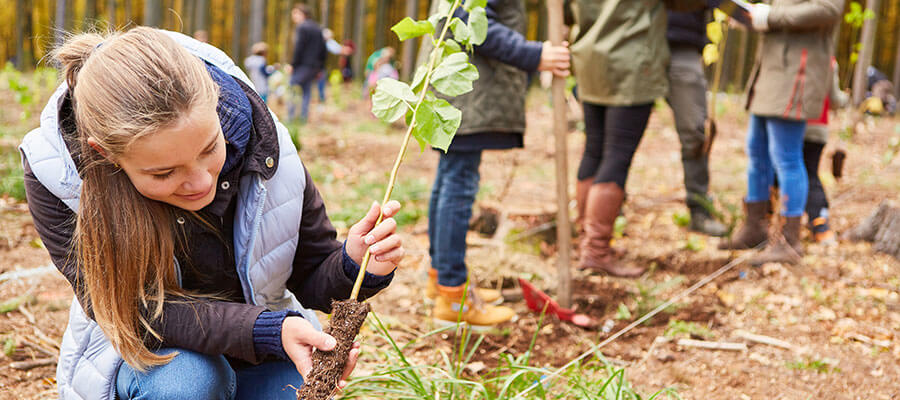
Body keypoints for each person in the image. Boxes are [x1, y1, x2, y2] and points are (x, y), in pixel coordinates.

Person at [21, 27, 405, 399]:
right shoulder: (60, 177)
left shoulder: (267, 144)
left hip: (259, 353)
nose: (200, 181)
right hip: (159, 362)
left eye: (209, 149)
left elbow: (309, 269)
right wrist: (266, 330)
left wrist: (355, 265)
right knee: (190, 382)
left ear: (217, 105)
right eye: (164, 173)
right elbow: (135, 311)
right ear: (105, 153)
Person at [425, 0, 570, 328]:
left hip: (459, 87)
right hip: (466, 91)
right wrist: (535, 54)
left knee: (450, 178)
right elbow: (471, 21)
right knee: (458, 183)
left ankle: (442, 281)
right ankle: (452, 294)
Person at [570, 0, 706, 277]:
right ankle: (596, 250)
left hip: (590, 58)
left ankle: (585, 242)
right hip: (630, 61)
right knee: (616, 156)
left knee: (594, 150)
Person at [718, 0, 843, 266]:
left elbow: (829, 9)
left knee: (786, 156)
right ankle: (755, 228)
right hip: (769, 71)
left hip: (796, 73)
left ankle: (788, 241)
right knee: (756, 150)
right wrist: (752, 17)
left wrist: (770, 16)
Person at [664, 2, 728, 237]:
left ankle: (700, 210)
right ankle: (608, 212)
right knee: (619, 132)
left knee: (695, 133)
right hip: (636, 44)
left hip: (684, 47)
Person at [288, 4, 326, 122]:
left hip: (302, 65)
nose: (293, 17)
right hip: (314, 67)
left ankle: (291, 118)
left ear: (301, 14)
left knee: (292, 88)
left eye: (295, 14)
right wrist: (320, 68)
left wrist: (293, 64)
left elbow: (299, 47)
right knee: (306, 91)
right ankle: (303, 118)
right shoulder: (318, 28)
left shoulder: (302, 27)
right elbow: (323, 49)